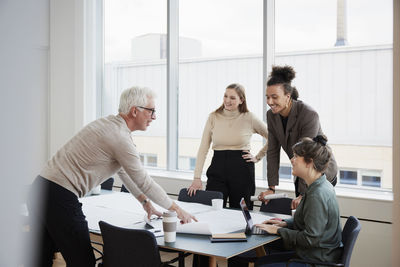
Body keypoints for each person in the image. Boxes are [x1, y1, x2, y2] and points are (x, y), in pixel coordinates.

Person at [27, 86, 196, 267]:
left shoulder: (109, 124)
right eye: (151, 111)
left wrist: (145, 202)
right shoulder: (119, 137)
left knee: (40, 258)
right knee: (82, 261)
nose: (154, 117)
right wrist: (177, 209)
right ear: (134, 111)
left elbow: (123, 171)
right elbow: (144, 181)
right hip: (59, 196)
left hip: (39, 188)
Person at [230, 135, 342, 267]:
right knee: (261, 261)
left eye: (296, 157)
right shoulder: (319, 185)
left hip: (315, 260)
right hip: (316, 254)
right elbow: (309, 222)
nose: (292, 160)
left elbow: (311, 238)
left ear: (309, 162)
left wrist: (277, 231)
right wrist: (283, 224)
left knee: (261, 263)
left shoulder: (317, 194)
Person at [258, 65, 338, 209]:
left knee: (310, 214)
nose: (269, 102)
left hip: (320, 172)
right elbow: (272, 151)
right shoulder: (271, 116)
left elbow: (306, 155)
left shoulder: (308, 114)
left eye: (274, 97)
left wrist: (303, 194)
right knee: (301, 214)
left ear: (287, 96)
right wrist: (272, 188)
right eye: (267, 97)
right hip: (301, 171)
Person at [187, 83, 268, 210]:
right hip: (218, 167)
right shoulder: (213, 117)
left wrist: (258, 157)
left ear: (241, 100)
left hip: (242, 170)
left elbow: (273, 138)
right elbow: (203, 148)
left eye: (232, 98)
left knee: (241, 214)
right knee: (212, 211)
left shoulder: (249, 117)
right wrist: (197, 177)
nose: (227, 100)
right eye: (225, 96)